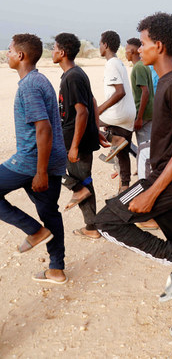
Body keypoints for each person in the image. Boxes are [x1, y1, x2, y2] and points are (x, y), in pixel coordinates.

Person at [94, 12, 172, 345]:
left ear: (158, 45)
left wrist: (151, 192)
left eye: (145, 43)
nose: (140, 48)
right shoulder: (168, 81)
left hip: (170, 180)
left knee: (107, 221)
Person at [1, 33, 68, 284]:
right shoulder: (39, 80)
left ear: (20, 55)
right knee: (51, 214)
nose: (7, 54)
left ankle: (34, 231)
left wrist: (40, 172)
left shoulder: (29, 85)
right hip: (49, 160)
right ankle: (56, 269)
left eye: (9, 50)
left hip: (31, 161)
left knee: (47, 219)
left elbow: (44, 128)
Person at [52, 33, 103, 240]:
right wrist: (96, 130)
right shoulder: (75, 73)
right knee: (84, 180)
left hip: (75, 139)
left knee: (54, 169)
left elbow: (83, 111)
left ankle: (90, 222)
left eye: (54, 48)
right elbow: (92, 100)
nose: (53, 51)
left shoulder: (73, 76)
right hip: (80, 137)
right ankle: (92, 227)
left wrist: (74, 146)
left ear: (62, 52)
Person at [97, 30, 136, 192]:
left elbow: (120, 92)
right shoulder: (119, 62)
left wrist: (99, 110)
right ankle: (124, 188)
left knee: (85, 122)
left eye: (100, 44)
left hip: (118, 114)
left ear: (105, 45)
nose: (99, 47)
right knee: (123, 154)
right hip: (129, 115)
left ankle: (114, 138)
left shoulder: (111, 63)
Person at [125, 37, 154, 154]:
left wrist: (139, 117)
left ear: (132, 51)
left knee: (119, 137)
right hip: (149, 111)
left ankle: (138, 157)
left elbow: (145, 92)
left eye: (126, 50)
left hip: (142, 113)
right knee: (147, 144)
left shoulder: (138, 67)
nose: (125, 53)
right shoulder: (144, 65)